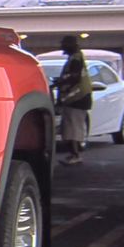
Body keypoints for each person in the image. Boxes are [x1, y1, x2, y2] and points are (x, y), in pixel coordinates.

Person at [52, 35, 92, 165]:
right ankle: (73, 155)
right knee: (70, 127)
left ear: (70, 45)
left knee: (72, 128)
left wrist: (57, 84)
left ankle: (75, 155)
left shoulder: (75, 59)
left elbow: (73, 78)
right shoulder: (76, 57)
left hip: (76, 99)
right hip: (77, 99)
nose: (61, 47)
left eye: (64, 44)